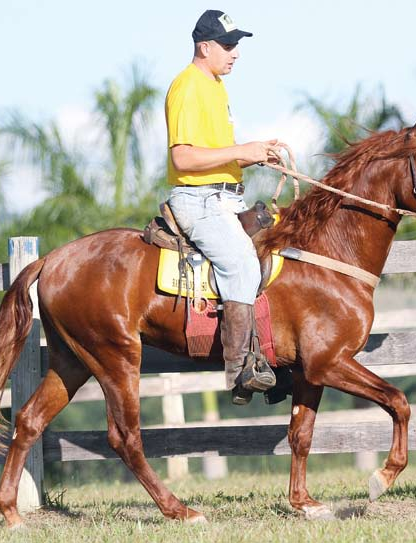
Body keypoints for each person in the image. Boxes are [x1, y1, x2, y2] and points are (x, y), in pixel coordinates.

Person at [165, 9, 278, 405]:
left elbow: (216, 155)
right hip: (199, 200)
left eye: (236, 45)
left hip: (225, 196)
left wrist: (257, 154)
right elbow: (183, 159)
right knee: (242, 263)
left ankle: (272, 358)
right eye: (228, 46)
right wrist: (241, 150)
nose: (235, 54)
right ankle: (240, 370)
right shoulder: (187, 86)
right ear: (205, 46)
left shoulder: (214, 86)